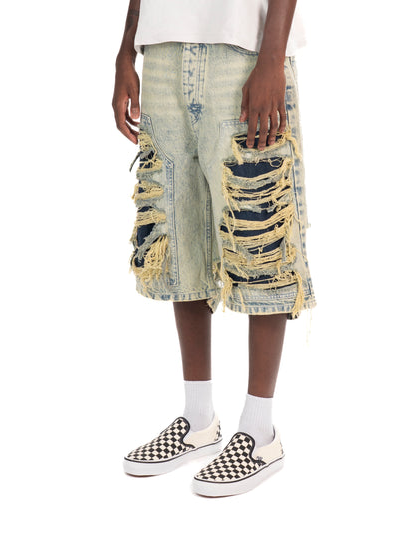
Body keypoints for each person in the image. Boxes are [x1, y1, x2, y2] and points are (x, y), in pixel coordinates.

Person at [112, 0, 316, 497]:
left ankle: (260, 433)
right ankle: (198, 420)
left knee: (259, 235)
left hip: (243, 53)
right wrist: (125, 52)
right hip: (161, 53)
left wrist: (272, 59)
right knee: (177, 235)